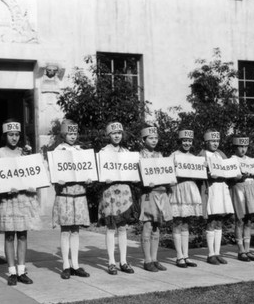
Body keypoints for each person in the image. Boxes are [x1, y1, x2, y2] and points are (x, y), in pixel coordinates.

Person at [0, 119, 41, 286]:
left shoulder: (24, 152)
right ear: (5, 135)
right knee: (9, 235)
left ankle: (22, 269)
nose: (14, 138)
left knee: (22, 234)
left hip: (22, 198)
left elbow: (32, 173)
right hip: (8, 199)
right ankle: (11, 270)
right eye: (11, 134)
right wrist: (5, 188)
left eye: (17, 135)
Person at [52, 119, 91, 279]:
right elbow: (53, 171)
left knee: (75, 230)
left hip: (79, 194)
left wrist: (89, 177)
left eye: (75, 133)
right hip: (65, 194)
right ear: (63, 134)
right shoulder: (58, 151)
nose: (72, 136)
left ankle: (75, 264)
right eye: (69, 133)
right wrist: (56, 179)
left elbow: (86, 169)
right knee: (66, 230)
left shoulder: (81, 151)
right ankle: (65, 265)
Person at [98, 122, 137, 275]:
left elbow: (132, 171)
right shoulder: (103, 152)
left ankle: (123, 261)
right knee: (111, 227)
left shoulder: (127, 152)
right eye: (114, 133)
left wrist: (134, 177)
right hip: (110, 192)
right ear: (108, 135)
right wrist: (104, 178)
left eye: (119, 133)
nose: (117, 136)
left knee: (122, 227)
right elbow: (100, 172)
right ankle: (111, 262)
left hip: (124, 192)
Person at [198, 130, 235, 265]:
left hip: (222, 188)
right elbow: (197, 173)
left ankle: (217, 252)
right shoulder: (202, 155)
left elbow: (229, 169)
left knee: (219, 221)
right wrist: (207, 173)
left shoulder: (221, 155)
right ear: (206, 142)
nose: (215, 143)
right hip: (211, 189)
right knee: (211, 221)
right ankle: (210, 254)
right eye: (212, 141)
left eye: (217, 141)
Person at [138, 125, 173, 272]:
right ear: (144, 139)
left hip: (161, 192)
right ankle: (147, 260)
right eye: (150, 138)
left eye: (155, 138)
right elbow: (136, 177)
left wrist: (170, 182)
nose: (153, 140)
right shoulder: (140, 156)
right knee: (147, 225)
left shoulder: (160, 155)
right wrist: (144, 181)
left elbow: (165, 173)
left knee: (157, 226)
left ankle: (154, 258)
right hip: (148, 194)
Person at [169, 129, 202, 268]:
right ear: (180, 141)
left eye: (189, 141)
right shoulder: (174, 156)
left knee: (186, 222)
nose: (187, 143)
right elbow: (168, 172)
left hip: (189, 188)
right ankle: (179, 256)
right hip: (178, 188)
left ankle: (186, 255)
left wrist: (203, 167)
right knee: (177, 221)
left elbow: (199, 173)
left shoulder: (194, 158)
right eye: (184, 140)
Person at [229, 136, 254, 262]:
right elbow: (231, 176)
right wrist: (239, 177)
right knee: (240, 220)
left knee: (249, 221)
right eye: (240, 146)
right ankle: (240, 250)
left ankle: (247, 249)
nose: (243, 149)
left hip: (251, 188)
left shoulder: (251, 160)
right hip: (239, 189)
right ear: (235, 147)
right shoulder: (232, 159)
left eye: (245, 146)